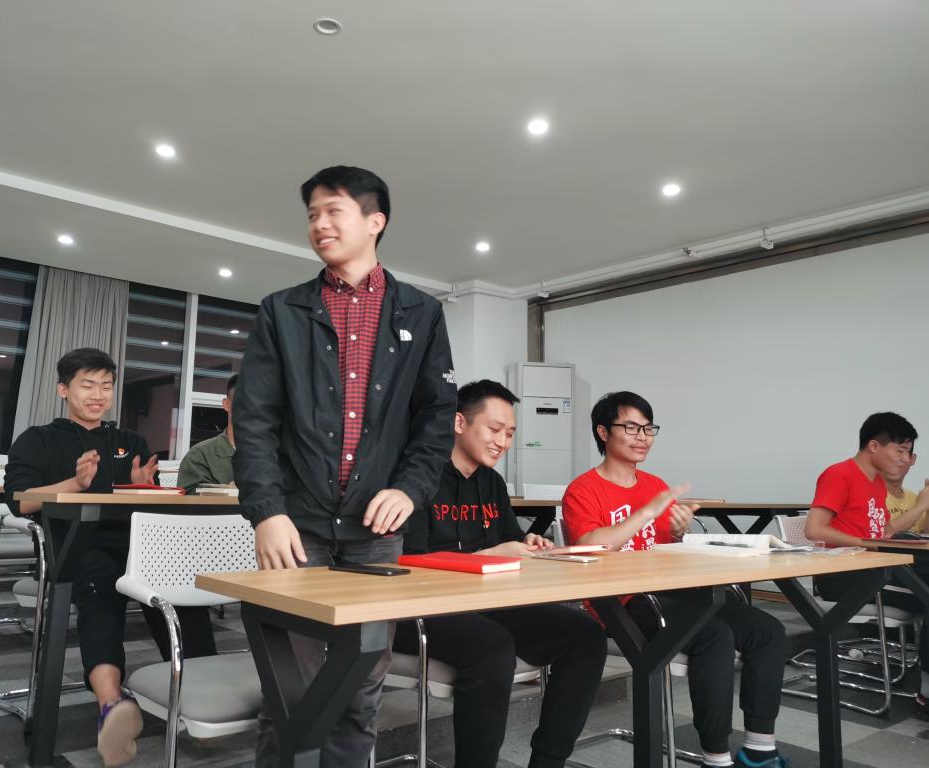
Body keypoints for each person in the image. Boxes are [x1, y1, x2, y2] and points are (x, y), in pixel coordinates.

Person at [233, 166, 457, 767]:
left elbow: (437, 417)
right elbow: (254, 421)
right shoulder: (282, 311)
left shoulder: (421, 312)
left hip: (376, 532)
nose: (319, 224)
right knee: (291, 689)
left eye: (333, 210)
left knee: (362, 687)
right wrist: (266, 512)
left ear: (374, 221)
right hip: (295, 525)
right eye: (312, 214)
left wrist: (410, 489)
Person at [4, 348, 217, 767]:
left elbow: (154, 503)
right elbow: (20, 501)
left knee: (181, 590)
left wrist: (142, 486)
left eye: (106, 386)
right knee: (100, 593)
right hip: (76, 544)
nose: (98, 394)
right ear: (63, 390)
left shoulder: (129, 441)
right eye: (87, 385)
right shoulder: (38, 439)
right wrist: (75, 483)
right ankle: (111, 703)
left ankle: (205, 695)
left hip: (139, 545)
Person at [562, 391, 788, 768]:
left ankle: (760, 748)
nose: (642, 437)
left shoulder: (654, 484)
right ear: (602, 432)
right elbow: (588, 546)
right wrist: (647, 512)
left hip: (670, 593)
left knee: (767, 629)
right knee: (714, 635)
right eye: (630, 427)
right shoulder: (583, 489)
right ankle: (716, 755)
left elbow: (664, 549)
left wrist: (680, 531)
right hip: (621, 602)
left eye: (648, 428)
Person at [397, 380, 608, 768]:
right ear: (458, 423)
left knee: (586, 634)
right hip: (422, 610)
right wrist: (489, 554)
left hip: (489, 604)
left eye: (510, 433)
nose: (503, 442)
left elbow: (509, 538)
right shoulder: (418, 479)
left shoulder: (491, 482)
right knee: (493, 646)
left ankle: (548, 761)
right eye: (494, 429)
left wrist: (529, 541)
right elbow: (410, 561)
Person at [805, 412, 929, 707]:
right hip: (846, 576)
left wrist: (923, 514)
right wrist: (867, 544)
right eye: (900, 451)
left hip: (877, 567)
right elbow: (815, 530)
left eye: (908, 452)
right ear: (874, 446)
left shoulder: (875, 482)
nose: (905, 459)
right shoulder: (840, 474)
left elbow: (882, 531)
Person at [177, 373, 237, 493]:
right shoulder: (200, 455)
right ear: (226, 404)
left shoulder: (273, 454)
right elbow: (189, 499)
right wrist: (230, 491)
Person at [884, 450, 929, 536]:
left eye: (903, 452)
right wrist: (921, 506)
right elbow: (882, 534)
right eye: (896, 452)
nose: (899, 460)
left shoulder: (914, 498)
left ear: (912, 459)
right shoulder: (870, 496)